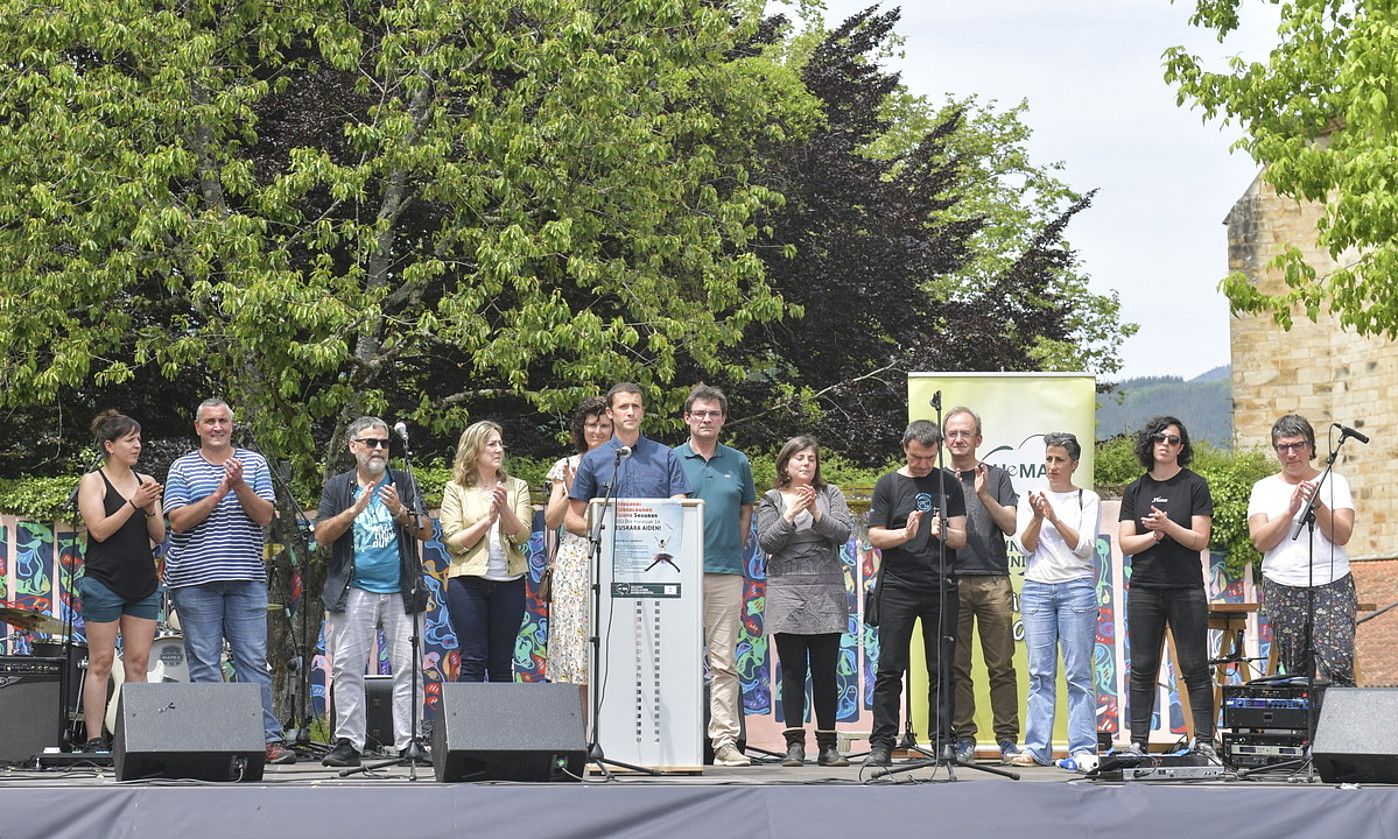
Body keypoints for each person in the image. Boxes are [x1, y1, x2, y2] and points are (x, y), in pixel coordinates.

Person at [164, 398, 294, 764]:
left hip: (246, 578)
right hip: (194, 579)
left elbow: (265, 516)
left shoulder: (253, 464)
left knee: (252, 660)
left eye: (223, 420)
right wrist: (219, 493)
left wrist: (238, 487)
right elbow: (177, 521)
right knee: (205, 662)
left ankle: (266, 740)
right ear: (198, 427)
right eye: (209, 421)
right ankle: (216, 741)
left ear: (232, 426)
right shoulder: (182, 468)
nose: (217, 427)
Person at [314, 416, 434, 768]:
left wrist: (399, 510)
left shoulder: (403, 481)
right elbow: (321, 535)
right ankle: (349, 742)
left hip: (402, 589)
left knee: (409, 668)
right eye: (370, 442)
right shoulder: (339, 487)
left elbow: (425, 531)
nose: (379, 448)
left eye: (384, 443)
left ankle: (409, 742)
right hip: (353, 590)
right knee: (347, 667)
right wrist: (354, 510)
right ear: (353, 447)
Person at [865, 420, 968, 768]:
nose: (922, 464)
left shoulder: (948, 483)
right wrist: (905, 535)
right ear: (905, 448)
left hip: (940, 586)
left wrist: (943, 534)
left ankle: (942, 740)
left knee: (942, 668)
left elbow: (961, 538)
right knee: (890, 667)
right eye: (916, 457)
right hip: (897, 586)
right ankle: (882, 742)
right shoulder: (888, 484)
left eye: (928, 457)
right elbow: (875, 536)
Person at [1117, 415, 1216, 760]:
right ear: (1150, 444)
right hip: (1144, 588)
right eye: (1160, 438)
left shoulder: (1194, 485)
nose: (1165, 444)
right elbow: (1126, 544)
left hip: (1185, 587)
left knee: (1195, 666)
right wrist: (1153, 535)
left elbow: (1199, 540)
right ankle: (1138, 742)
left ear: (1181, 448)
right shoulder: (1136, 489)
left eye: (1173, 440)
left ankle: (1204, 741)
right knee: (1142, 667)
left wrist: (1168, 526)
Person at [756, 436, 854, 767]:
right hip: (787, 593)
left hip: (826, 592)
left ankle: (827, 746)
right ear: (786, 464)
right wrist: (791, 514)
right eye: (799, 458)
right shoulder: (771, 499)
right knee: (794, 671)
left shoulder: (831, 494)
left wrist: (815, 511)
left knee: (826, 671)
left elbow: (843, 533)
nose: (806, 464)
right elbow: (767, 542)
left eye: (811, 458)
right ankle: (794, 745)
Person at [1009, 433, 1102, 771]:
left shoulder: (1086, 499)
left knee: (1078, 673)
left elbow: (1084, 547)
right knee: (1039, 673)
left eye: (1060, 459)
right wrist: (1036, 516)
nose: (1052, 466)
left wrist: (1054, 518)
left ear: (1074, 464)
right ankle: (1036, 748)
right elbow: (1025, 547)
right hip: (1037, 589)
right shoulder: (1030, 498)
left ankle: (1082, 750)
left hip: (1076, 587)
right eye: (1049, 459)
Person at [676, 385, 757, 769]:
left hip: (726, 572)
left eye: (713, 413)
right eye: (700, 413)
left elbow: (746, 512)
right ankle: (675, 739)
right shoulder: (670, 460)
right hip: (678, 574)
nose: (706, 419)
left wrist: (732, 550)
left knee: (724, 662)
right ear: (687, 418)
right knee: (677, 657)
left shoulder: (738, 461)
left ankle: (724, 742)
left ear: (723, 419)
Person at [75, 410, 165, 751]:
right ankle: (95, 738)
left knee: (138, 663)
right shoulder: (93, 481)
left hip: (142, 583)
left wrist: (150, 506)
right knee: (100, 662)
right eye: (130, 440)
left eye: (139, 439)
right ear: (109, 445)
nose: (137, 445)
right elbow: (99, 530)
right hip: (104, 581)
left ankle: (136, 738)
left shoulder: (144, 480)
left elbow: (157, 536)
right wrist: (133, 503)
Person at [1247, 414, 1357, 685]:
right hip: (1282, 583)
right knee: (1295, 672)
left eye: (1297, 445)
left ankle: (1338, 726)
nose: (1291, 453)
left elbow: (1342, 535)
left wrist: (1318, 505)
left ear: (1310, 447)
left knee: (1337, 663)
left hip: (1331, 583)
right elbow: (1260, 541)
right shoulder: (1263, 488)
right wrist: (1290, 511)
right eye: (1283, 447)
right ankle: (1303, 728)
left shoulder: (1336, 482)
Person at [942, 407, 1022, 765]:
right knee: (957, 667)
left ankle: (1007, 740)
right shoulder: (936, 478)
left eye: (966, 433)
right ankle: (964, 738)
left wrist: (985, 494)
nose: (959, 439)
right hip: (950, 580)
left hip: (993, 580)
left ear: (978, 439)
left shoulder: (998, 475)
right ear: (945, 440)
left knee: (1001, 665)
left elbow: (1010, 526)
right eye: (953, 434)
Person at [439, 420, 533, 682]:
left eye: (500, 444)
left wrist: (504, 510)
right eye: (491, 444)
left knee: (502, 662)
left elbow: (523, 535)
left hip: (509, 582)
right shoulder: (455, 489)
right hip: (468, 583)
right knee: (473, 658)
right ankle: (470, 724)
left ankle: (503, 724)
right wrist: (487, 521)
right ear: (474, 450)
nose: (498, 449)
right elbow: (455, 542)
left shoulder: (517, 486)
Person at [543, 397, 612, 695]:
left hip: (612, 555)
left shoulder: (623, 460)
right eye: (591, 425)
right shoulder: (566, 465)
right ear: (581, 428)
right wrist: (572, 492)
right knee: (574, 645)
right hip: (573, 561)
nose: (597, 431)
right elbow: (551, 520)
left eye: (604, 425)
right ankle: (577, 733)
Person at [565, 382, 690, 538]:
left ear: (642, 412)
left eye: (636, 407)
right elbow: (571, 520)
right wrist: (599, 530)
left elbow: (679, 509)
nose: (631, 412)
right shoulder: (592, 460)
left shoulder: (666, 456)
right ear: (610, 413)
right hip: (608, 555)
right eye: (623, 407)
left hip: (655, 553)